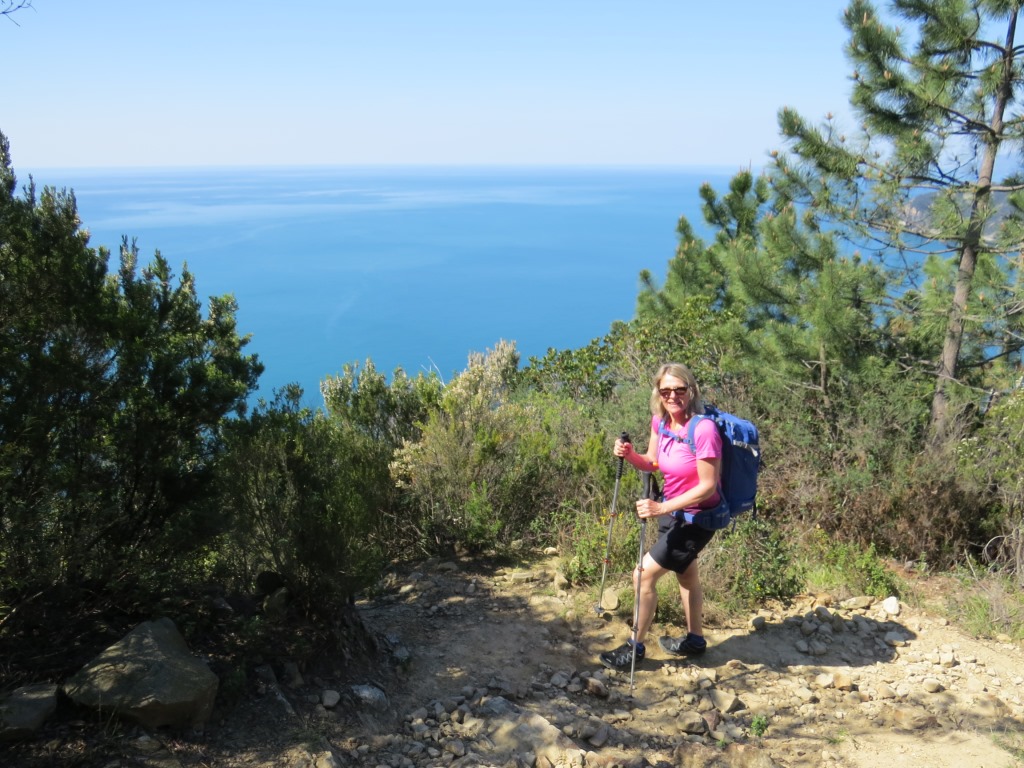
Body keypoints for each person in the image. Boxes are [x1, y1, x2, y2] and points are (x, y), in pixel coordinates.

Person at [599, 362, 722, 670]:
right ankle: (695, 641)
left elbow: (708, 486)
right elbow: (652, 462)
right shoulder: (661, 422)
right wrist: (630, 455)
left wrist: (660, 508)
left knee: (643, 575)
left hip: (696, 518)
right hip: (672, 511)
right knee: (686, 575)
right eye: (665, 390)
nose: (672, 396)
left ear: (691, 390)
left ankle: (635, 647)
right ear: (658, 392)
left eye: (679, 389)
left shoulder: (704, 429)